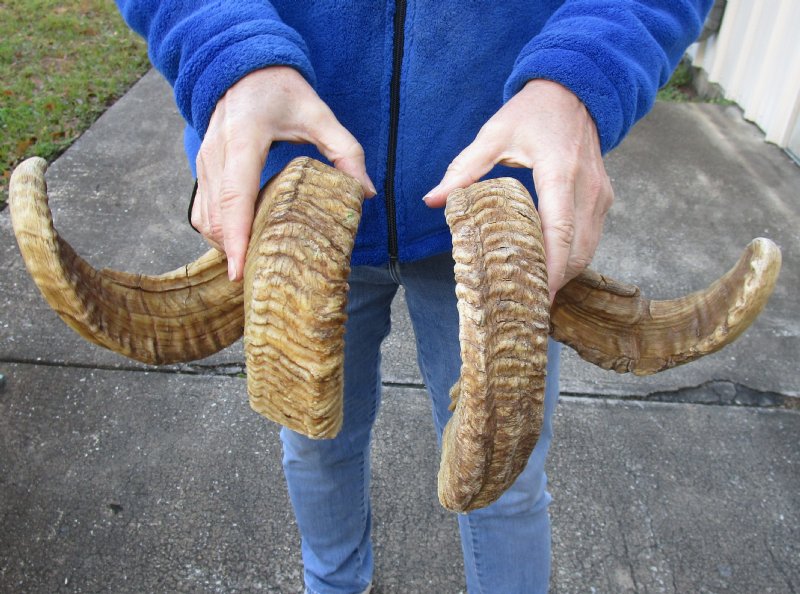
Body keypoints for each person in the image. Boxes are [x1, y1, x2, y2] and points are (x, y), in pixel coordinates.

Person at [115, 2, 712, 592]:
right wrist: (229, 52)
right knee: (315, 445)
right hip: (299, 201)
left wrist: (583, 74)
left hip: (498, 206)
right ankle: (332, 585)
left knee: (503, 471)